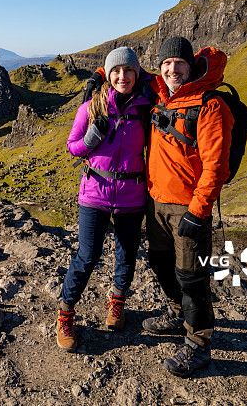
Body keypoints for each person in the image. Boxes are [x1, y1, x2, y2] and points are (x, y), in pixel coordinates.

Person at [141, 36, 234, 377]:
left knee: (191, 277)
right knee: (160, 263)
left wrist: (198, 212)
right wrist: (97, 75)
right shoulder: (160, 96)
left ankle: (198, 345)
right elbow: (122, 72)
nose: (172, 69)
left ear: (190, 65)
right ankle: (176, 312)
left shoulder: (210, 106)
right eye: (166, 64)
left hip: (187, 208)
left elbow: (216, 168)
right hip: (156, 204)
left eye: (178, 64)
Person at [56, 46, 153, 352]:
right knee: (87, 256)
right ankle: (65, 315)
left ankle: (117, 306)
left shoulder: (147, 107)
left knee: (126, 255)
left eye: (128, 70)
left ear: (136, 74)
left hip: (132, 195)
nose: (122, 76)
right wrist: (88, 141)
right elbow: (72, 147)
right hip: (95, 193)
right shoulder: (91, 108)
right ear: (109, 77)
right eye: (115, 71)